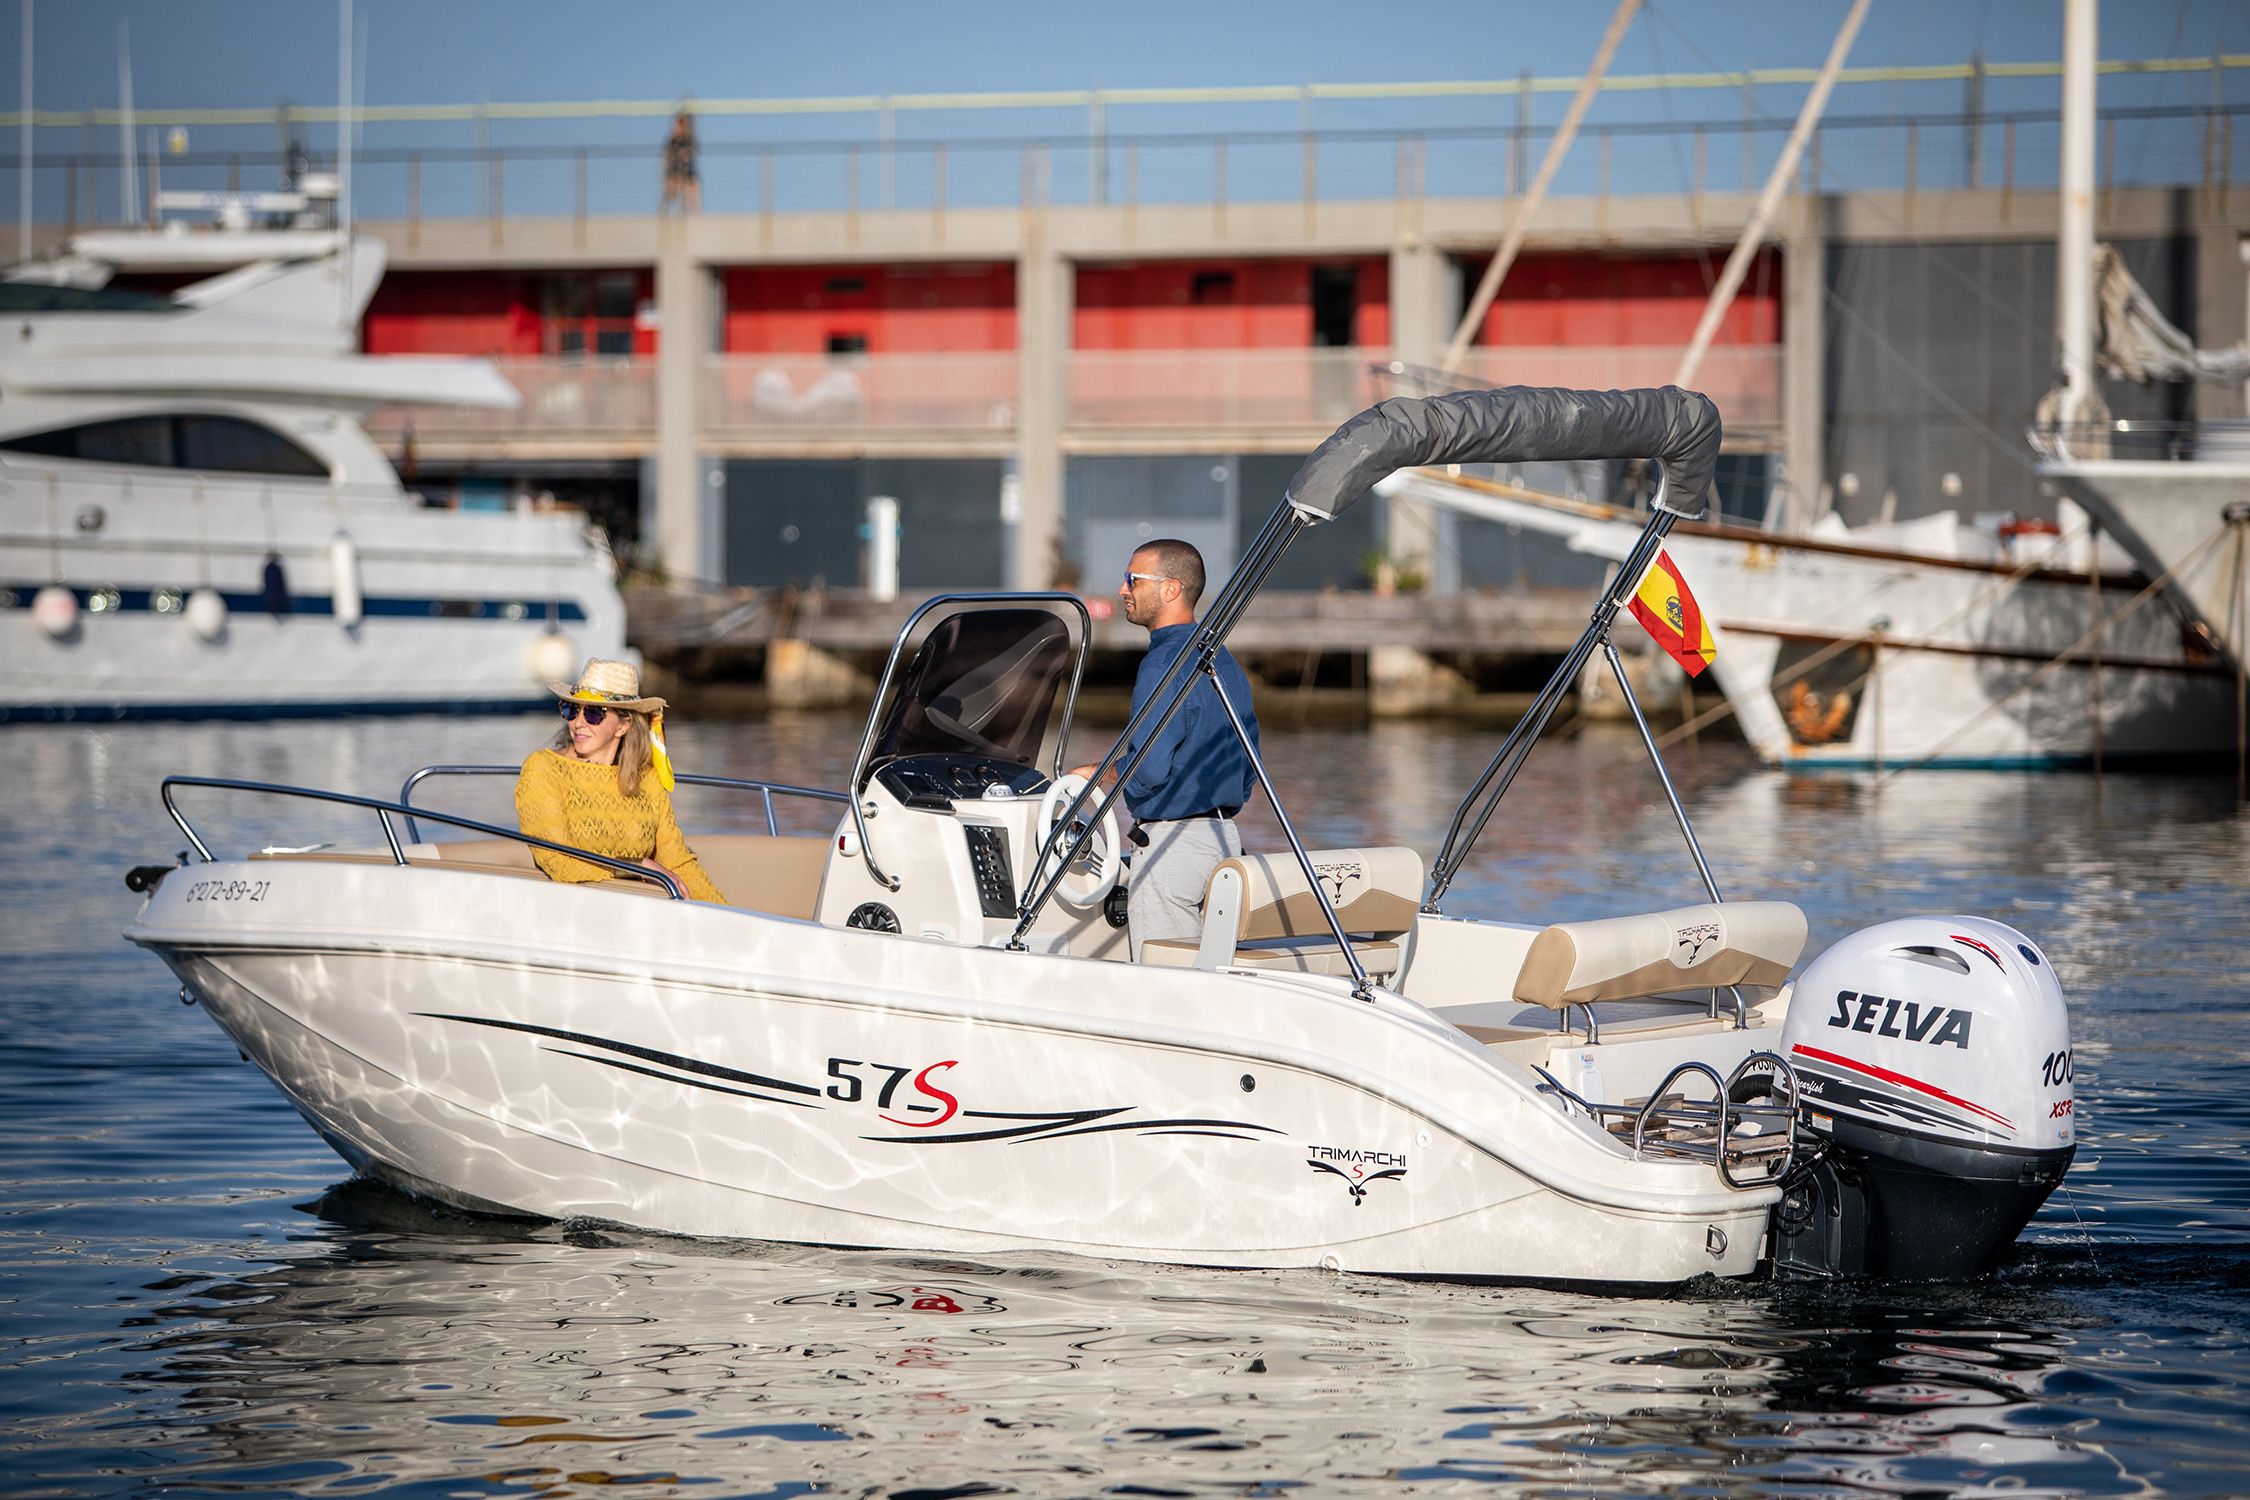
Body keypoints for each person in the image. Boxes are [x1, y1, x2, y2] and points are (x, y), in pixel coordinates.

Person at [1070, 538, 1260, 961]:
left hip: (1172, 851)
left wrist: (1099, 774)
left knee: (1167, 981)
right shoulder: (1221, 658)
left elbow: (1149, 769)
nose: (1123, 590)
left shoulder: (1163, 663)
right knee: (1211, 973)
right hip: (1224, 842)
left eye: (1132, 580)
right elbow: (1249, 768)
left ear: (1171, 588)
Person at [515, 659, 727, 902]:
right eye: (571, 709)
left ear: (623, 726)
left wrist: (729, 916)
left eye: (594, 713)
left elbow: (677, 862)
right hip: (572, 909)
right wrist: (637, 866)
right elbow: (558, 860)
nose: (577, 722)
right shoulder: (543, 769)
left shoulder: (647, 779)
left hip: (638, 913)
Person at [660, 111, 701, 213]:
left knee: (693, 185)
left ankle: (695, 212)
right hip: (674, 169)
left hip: (687, 169)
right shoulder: (673, 140)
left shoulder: (689, 139)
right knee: (672, 189)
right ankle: (665, 209)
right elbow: (666, 156)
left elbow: (694, 152)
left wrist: (686, 154)